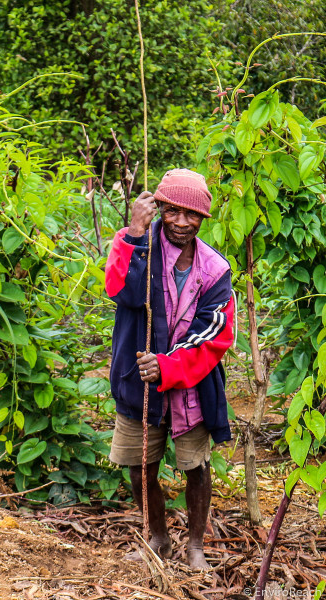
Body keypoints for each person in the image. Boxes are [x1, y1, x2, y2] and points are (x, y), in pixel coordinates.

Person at [105, 169, 234, 570]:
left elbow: (215, 333)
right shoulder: (138, 243)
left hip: (190, 386)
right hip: (136, 379)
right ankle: (157, 537)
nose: (181, 222)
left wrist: (168, 366)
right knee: (139, 465)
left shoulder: (215, 269)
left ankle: (195, 544)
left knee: (196, 467)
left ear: (202, 219)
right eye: (173, 211)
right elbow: (120, 291)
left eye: (191, 214)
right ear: (160, 208)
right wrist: (135, 234)